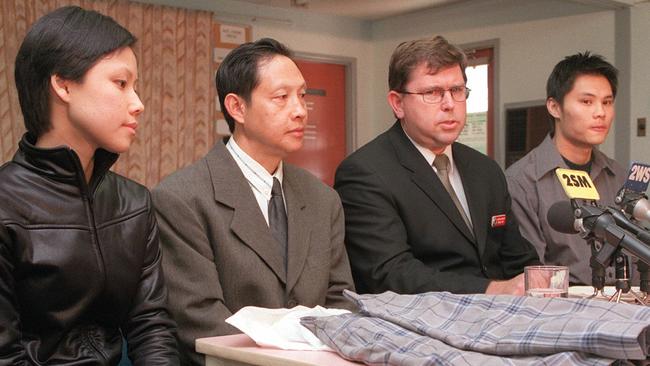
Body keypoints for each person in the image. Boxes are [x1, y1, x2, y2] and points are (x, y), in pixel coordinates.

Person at [153, 38, 355, 365]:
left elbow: (340, 303)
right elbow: (200, 317)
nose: (300, 110)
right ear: (237, 107)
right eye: (281, 98)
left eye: (302, 96)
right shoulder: (182, 198)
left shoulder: (323, 199)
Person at [0, 6, 178, 365]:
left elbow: (151, 324)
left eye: (135, 86)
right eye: (121, 83)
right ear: (63, 84)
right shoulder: (5, 203)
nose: (138, 104)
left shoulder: (133, 201)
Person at [334, 36, 539, 295]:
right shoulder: (365, 173)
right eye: (432, 93)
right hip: (418, 323)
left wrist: (544, 285)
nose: (449, 104)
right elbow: (391, 274)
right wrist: (491, 289)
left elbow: (517, 257)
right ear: (398, 104)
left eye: (457, 90)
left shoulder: (485, 169)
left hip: (501, 318)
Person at [506, 52, 625, 286]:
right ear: (554, 107)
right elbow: (532, 275)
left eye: (607, 102)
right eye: (587, 102)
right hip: (563, 310)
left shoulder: (617, 175)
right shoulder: (523, 180)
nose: (600, 112)